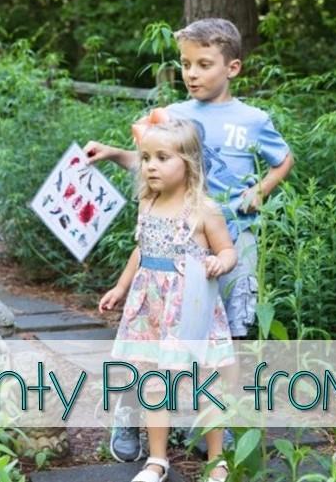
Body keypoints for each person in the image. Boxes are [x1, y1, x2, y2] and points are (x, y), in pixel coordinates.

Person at [86, 17, 294, 462]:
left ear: (232, 68)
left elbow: (284, 159)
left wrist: (259, 190)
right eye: (186, 64)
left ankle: (217, 423)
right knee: (148, 341)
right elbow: (152, 159)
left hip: (231, 243)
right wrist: (113, 153)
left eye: (204, 64)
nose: (192, 73)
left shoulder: (253, 120)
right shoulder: (173, 115)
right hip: (172, 248)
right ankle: (131, 412)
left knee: (221, 341)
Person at [99, 118, 235, 482]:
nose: (150, 166)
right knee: (153, 382)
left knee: (207, 381)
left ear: (188, 163)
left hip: (190, 305)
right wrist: (120, 286)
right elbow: (140, 251)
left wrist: (219, 261)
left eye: (162, 157)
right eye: (145, 158)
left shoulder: (204, 210)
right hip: (151, 308)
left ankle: (217, 459)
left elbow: (227, 250)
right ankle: (157, 460)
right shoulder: (148, 202)